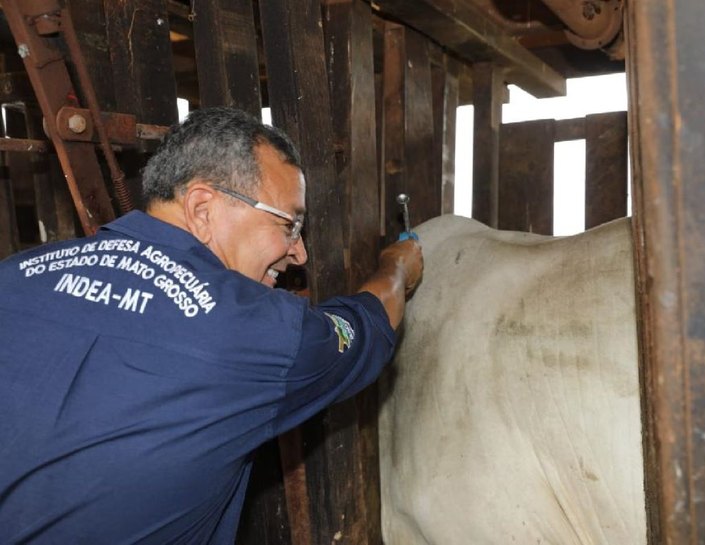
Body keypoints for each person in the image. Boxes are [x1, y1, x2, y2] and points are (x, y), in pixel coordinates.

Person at [0, 107, 423, 543]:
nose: (300, 255)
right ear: (202, 208)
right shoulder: (250, 330)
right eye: (290, 224)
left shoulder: (14, 275)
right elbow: (369, 324)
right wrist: (396, 268)